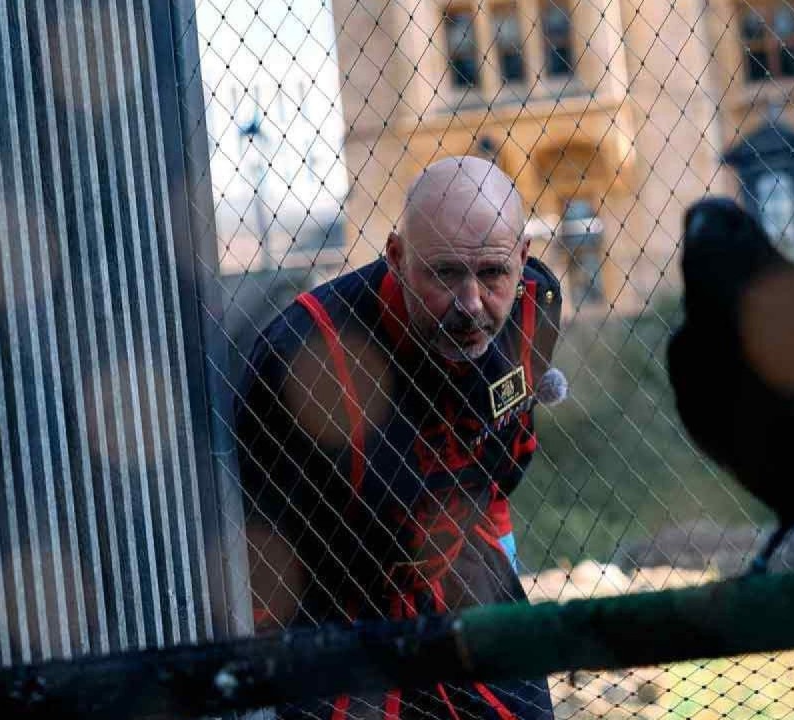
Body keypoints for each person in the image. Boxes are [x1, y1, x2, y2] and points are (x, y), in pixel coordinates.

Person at [234, 156, 563, 720]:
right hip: (342, 610)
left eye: (492, 274)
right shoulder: (305, 362)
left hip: (464, 565)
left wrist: (500, 542)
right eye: (444, 274)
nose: (471, 305)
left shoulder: (535, 305)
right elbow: (266, 560)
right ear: (397, 256)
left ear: (523, 259)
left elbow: (505, 452)